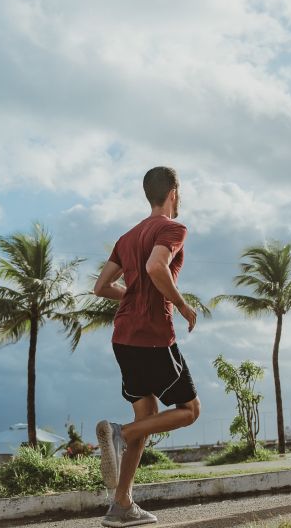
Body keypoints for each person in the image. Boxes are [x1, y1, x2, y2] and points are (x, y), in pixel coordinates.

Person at [94, 166, 202, 528]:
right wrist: (182, 304)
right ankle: (119, 433)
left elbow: (101, 286)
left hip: (123, 337)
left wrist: (132, 295)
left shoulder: (126, 237)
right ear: (174, 191)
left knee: (146, 419)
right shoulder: (173, 228)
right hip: (154, 336)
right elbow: (157, 266)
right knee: (189, 411)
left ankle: (120, 505)